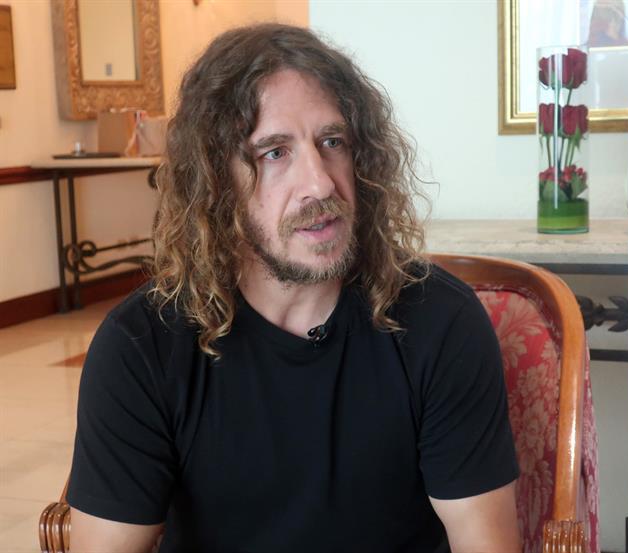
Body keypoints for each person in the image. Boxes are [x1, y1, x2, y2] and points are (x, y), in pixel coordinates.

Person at [66, 24, 520, 553]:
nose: (321, 182)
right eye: (275, 153)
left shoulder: (439, 320)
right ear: (215, 182)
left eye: (332, 142)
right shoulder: (141, 345)